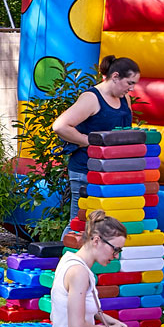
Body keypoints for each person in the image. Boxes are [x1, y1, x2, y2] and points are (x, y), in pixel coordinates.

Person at [49, 210, 164, 327]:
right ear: (96, 240)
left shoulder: (71, 260)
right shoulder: (78, 272)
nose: (116, 256)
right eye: (115, 249)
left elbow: (86, 309)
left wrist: (113, 322)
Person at [52, 55, 139, 238]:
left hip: (113, 172)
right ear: (115, 76)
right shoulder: (92, 98)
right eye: (129, 83)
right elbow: (60, 126)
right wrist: (89, 141)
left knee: (109, 224)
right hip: (86, 170)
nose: (132, 88)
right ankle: (64, 256)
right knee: (80, 224)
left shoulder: (125, 98)